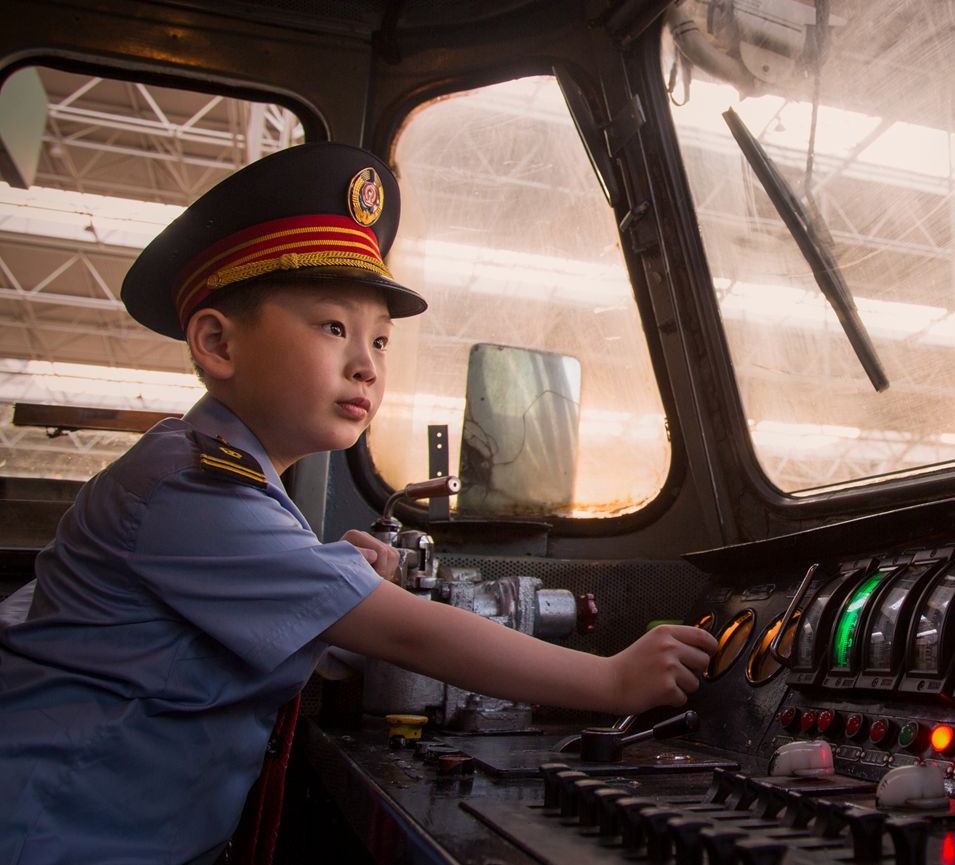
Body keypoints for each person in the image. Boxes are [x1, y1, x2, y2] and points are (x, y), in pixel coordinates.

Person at [0, 142, 718, 865]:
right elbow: (408, 635)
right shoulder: (194, 485)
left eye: (379, 337)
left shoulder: (227, 484)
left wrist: (325, 575)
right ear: (217, 342)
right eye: (332, 327)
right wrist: (610, 678)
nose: (367, 363)